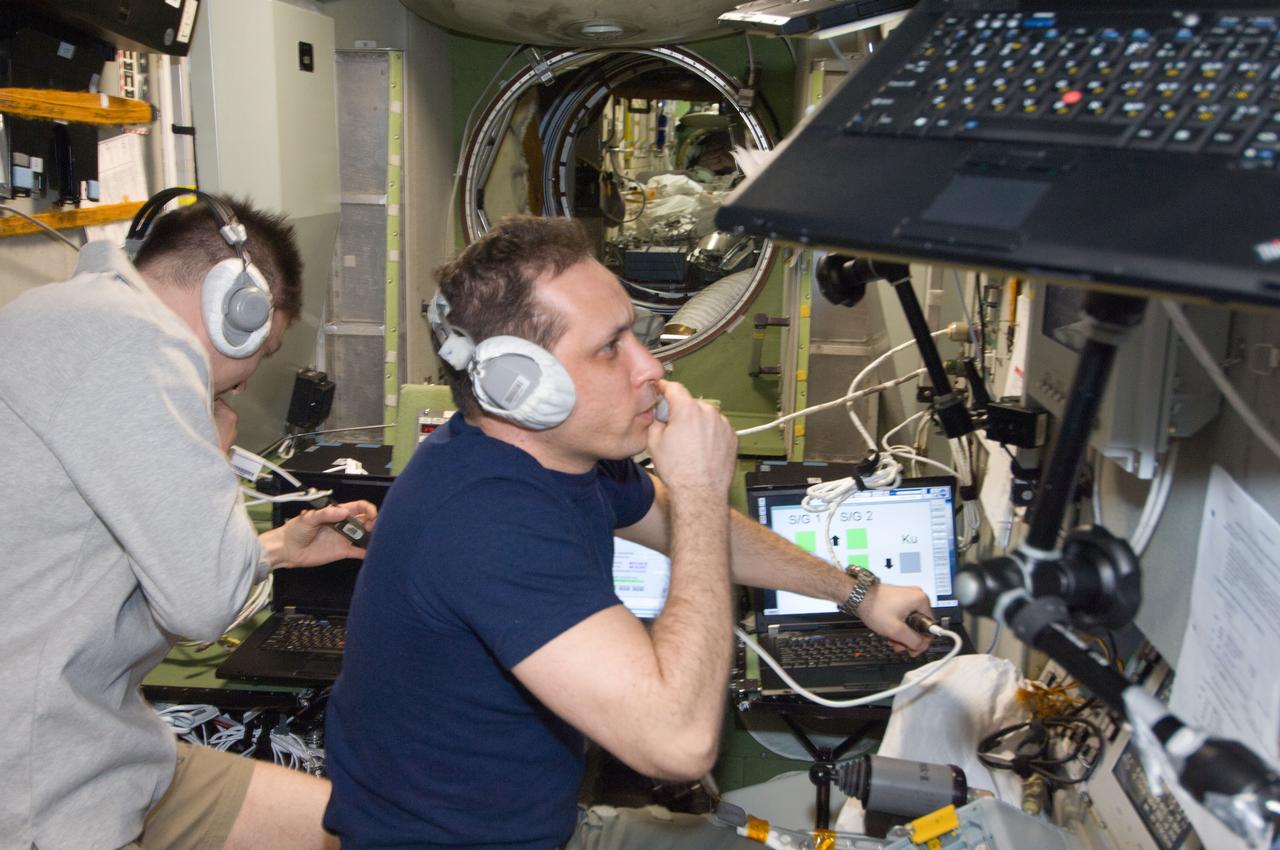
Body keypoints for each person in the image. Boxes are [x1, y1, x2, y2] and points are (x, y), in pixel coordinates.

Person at [323, 215, 932, 850]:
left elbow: (674, 523)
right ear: (521, 385)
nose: (651, 365)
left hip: (544, 825)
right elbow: (678, 743)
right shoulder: (485, 519)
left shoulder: (565, 460)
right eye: (611, 347)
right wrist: (700, 486)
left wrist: (856, 593)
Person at [0, 192, 376, 850]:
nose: (248, 378)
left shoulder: (65, 317)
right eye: (266, 349)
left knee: (356, 827)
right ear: (240, 310)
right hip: (39, 794)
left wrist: (279, 548)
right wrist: (213, 445)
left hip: (113, 757)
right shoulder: (140, 343)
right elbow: (202, 608)